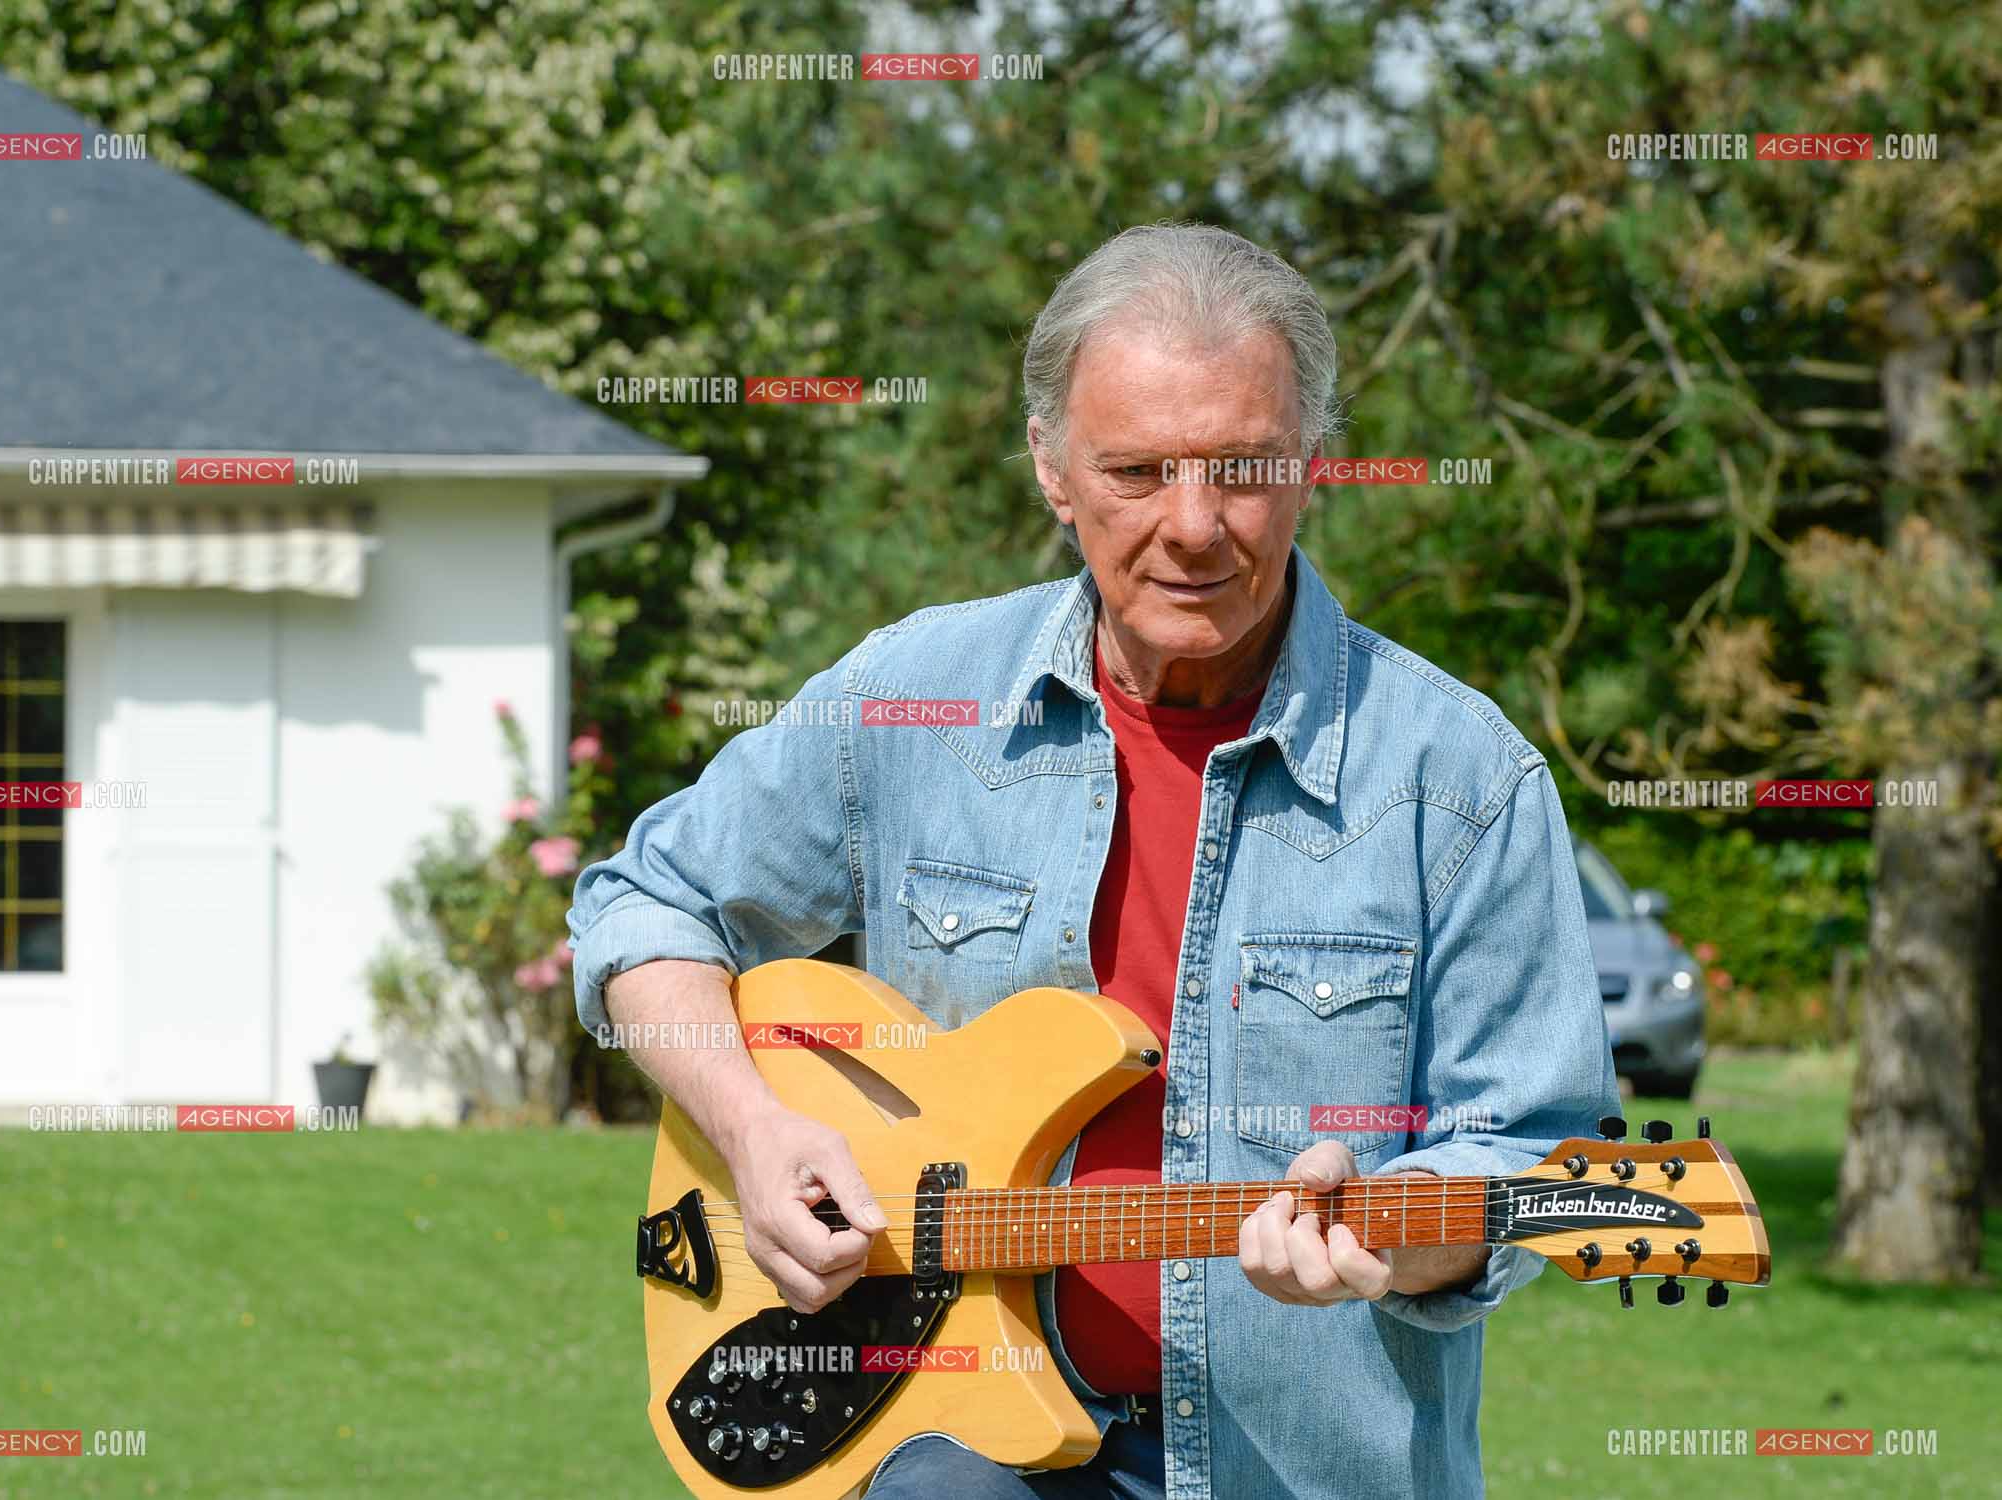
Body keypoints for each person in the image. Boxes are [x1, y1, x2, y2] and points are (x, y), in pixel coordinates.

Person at [567, 222, 1618, 1499]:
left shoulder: (1462, 778)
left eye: (1243, 470)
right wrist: (751, 1129)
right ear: (1051, 470)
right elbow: (644, 905)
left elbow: (1532, 1149)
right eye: (1136, 471)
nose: (1193, 526)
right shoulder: (913, 697)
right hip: (948, 1446)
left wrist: (1401, 1242)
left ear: (1312, 466)